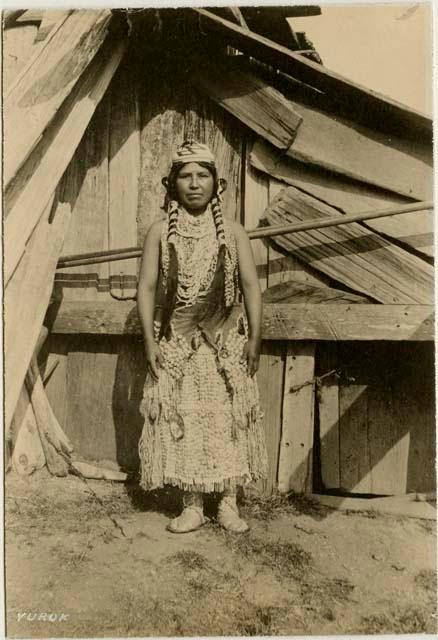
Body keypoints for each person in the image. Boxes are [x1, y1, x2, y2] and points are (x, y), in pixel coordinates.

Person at [137, 140, 268, 534]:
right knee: (184, 421)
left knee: (228, 419)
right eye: (185, 176)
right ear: (172, 183)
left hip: (225, 343)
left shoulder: (233, 232)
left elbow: (250, 286)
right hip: (178, 345)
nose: (194, 183)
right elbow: (145, 289)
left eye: (203, 175)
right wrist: (148, 342)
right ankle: (192, 503)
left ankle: (228, 502)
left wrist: (254, 338)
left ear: (217, 183)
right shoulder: (160, 233)